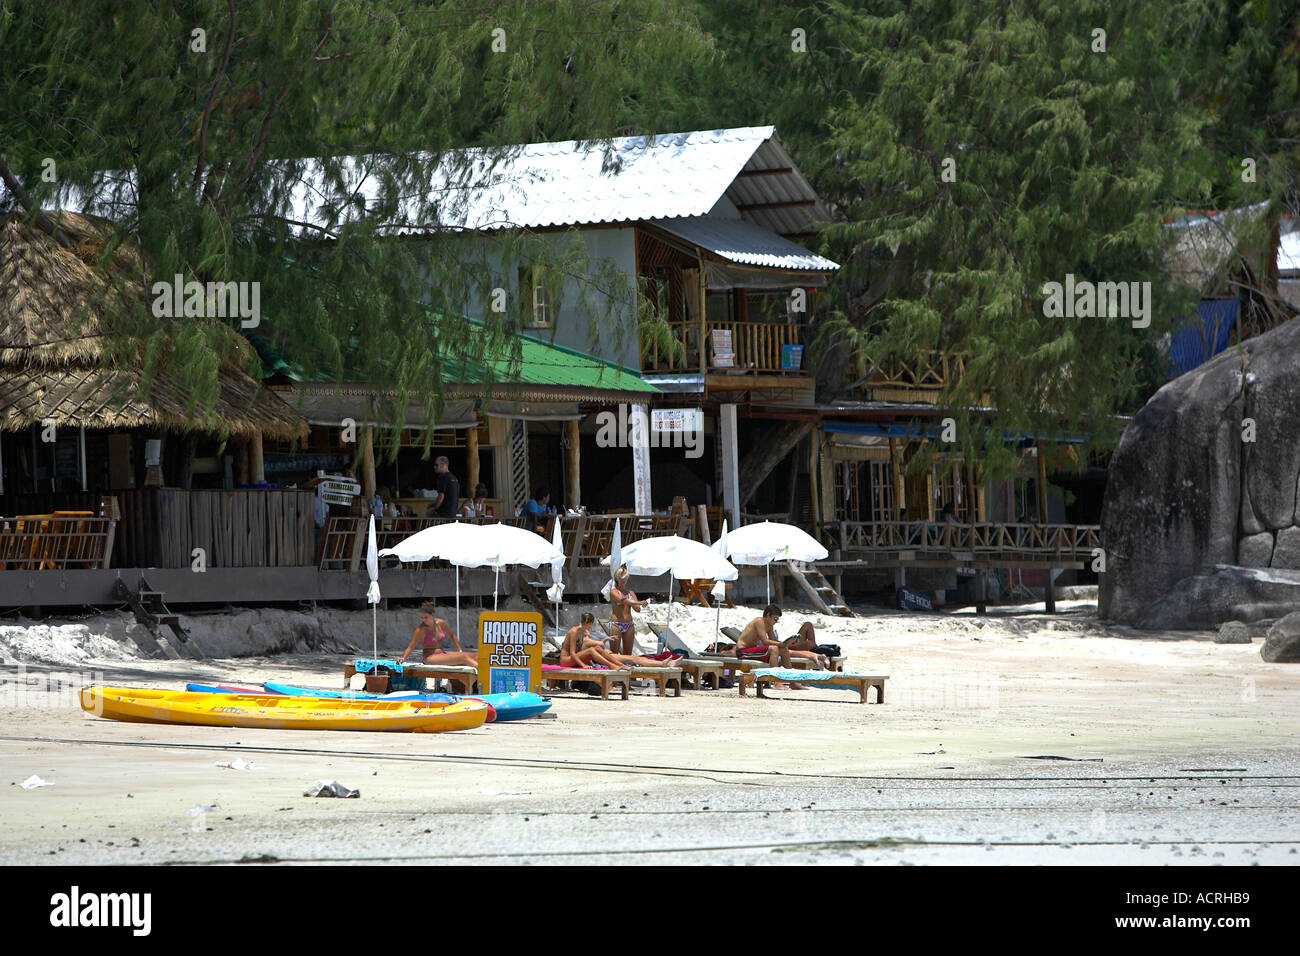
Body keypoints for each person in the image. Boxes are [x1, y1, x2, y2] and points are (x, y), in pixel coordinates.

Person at [734, 604, 817, 689]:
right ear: (768, 615)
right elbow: (765, 641)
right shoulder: (759, 621)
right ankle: (777, 682)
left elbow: (773, 640)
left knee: (784, 650)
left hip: (753, 652)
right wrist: (781, 644)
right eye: (775, 619)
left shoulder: (769, 625)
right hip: (743, 652)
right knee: (773, 649)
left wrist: (787, 643)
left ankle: (793, 682)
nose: (776, 621)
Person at [561, 613, 673, 669]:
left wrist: (605, 640)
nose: (589, 630)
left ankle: (619, 665)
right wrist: (584, 666)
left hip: (587, 657)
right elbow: (572, 653)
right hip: (568, 660)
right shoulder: (576, 632)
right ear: (589, 624)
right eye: (589, 627)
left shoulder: (583, 633)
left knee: (597, 649)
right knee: (593, 649)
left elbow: (597, 647)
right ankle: (615, 665)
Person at [397, 603, 477, 667]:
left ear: (432, 614)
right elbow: (411, 646)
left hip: (442, 654)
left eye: (426, 617)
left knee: (474, 656)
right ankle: (485, 675)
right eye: (422, 618)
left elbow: (452, 635)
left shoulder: (440, 623)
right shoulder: (421, 629)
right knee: (463, 658)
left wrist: (460, 650)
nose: (423, 620)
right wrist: (403, 658)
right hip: (430, 657)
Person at [608, 565, 649, 655]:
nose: (623, 580)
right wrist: (639, 602)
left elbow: (637, 609)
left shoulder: (630, 592)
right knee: (614, 652)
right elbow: (623, 600)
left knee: (628, 653)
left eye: (625, 577)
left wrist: (643, 604)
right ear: (617, 578)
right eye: (621, 577)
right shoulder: (613, 591)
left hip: (629, 624)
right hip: (616, 624)